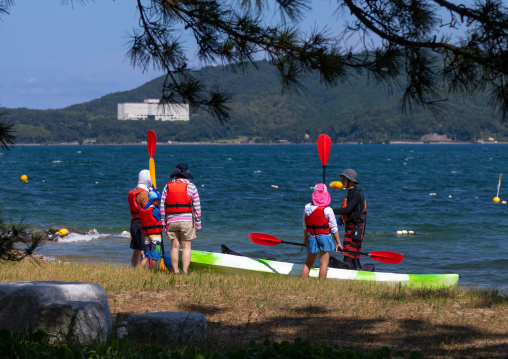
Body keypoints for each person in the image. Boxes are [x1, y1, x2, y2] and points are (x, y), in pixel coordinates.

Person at [160, 163, 201, 275]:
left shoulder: (167, 186)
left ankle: (176, 271)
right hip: (187, 221)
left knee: (174, 246)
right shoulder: (191, 186)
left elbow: (162, 205)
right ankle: (185, 271)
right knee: (186, 247)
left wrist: (163, 221)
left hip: (171, 221)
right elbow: (197, 207)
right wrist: (198, 223)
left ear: (176, 174)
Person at [301, 183, 342, 281]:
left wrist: (305, 238)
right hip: (325, 237)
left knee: (308, 263)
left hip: (312, 237)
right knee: (324, 264)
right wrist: (338, 243)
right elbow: (334, 228)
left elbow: (305, 225)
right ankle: (321, 285)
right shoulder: (328, 210)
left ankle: (301, 283)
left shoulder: (307, 208)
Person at [333, 169, 367, 270]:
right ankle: (360, 275)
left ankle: (348, 275)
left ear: (351, 181)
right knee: (354, 258)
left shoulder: (356, 194)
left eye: (344, 179)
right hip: (351, 228)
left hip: (355, 229)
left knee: (348, 256)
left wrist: (330, 211)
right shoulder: (350, 193)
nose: (342, 181)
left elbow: (347, 210)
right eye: (342, 178)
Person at [128, 169, 152, 266]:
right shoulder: (144, 194)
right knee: (143, 250)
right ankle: (143, 270)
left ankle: (134, 269)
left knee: (136, 250)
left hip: (133, 223)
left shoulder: (132, 191)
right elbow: (147, 210)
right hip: (142, 224)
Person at [140, 190, 163, 269]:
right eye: (159, 200)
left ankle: (139, 271)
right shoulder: (155, 210)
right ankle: (153, 272)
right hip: (156, 238)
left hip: (147, 237)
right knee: (155, 256)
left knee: (147, 256)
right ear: (154, 201)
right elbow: (161, 219)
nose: (160, 202)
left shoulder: (143, 210)